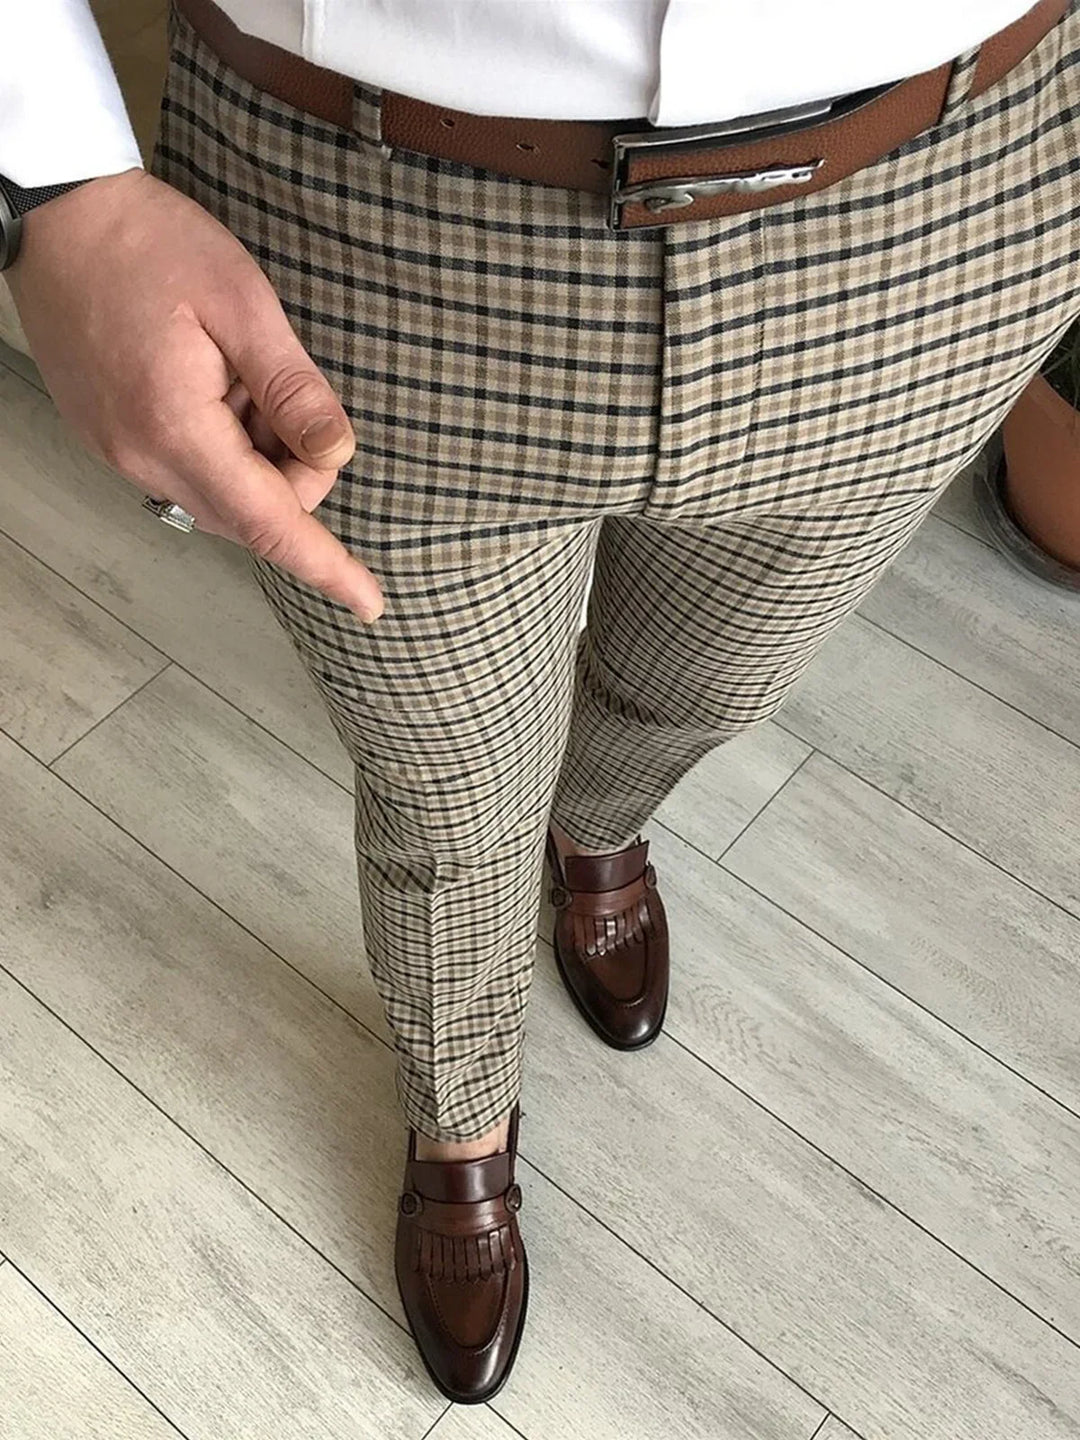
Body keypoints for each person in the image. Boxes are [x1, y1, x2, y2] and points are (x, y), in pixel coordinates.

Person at [3, 0, 1077, 1405]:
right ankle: (459, 1116)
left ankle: (602, 826)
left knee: (712, 680)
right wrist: (49, 170)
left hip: (942, 196)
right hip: (362, 219)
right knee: (445, 787)